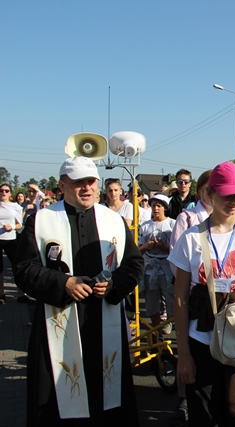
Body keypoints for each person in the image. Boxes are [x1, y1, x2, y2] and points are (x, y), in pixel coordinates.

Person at [13, 157, 144, 426]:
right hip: (58, 320)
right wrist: (64, 283)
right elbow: (24, 269)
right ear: (62, 186)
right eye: (78, 182)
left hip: (104, 320)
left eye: (91, 181)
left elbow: (134, 264)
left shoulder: (114, 221)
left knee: (107, 398)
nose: (86, 188)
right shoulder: (41, 220)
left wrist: (114, 284)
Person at [168, 161, 235, 427]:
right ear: (210, 193)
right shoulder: (190, 238)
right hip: (200, 337)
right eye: (228, 194)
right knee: (202, 414)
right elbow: (180, 298)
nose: (234, 201)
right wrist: (184, 354)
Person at [167, 169, 213, 427]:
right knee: (188, 345)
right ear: (200, 191)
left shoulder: (231, 217)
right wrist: (196, 280)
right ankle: (184, 398)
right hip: (195, 291)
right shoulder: (187, 217)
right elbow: (177, 259)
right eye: (207, 189)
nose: (211, 193)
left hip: (218, 295)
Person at [138, 193, 175, 331]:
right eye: (153, 205)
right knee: (151, 301)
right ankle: (156, 330)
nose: (156, 209)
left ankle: (169, 323)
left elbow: (176, 250)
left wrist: (163, 247)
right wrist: (146, 246)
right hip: (150, 268)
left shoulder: (172, 224)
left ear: (165, 207)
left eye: (159, 206)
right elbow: (139, 250)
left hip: (166, 268)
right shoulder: (145, 226)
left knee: (170, 299)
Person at [0, 183, 23, 304]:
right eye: (1, 190)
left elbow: (20, 225)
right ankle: (1, 294)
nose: (3, 192)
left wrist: (12, 226)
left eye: (6, 190)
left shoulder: (15, 207)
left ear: (10, 193)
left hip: (10, 239)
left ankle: (21, 294)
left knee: (17, 266)